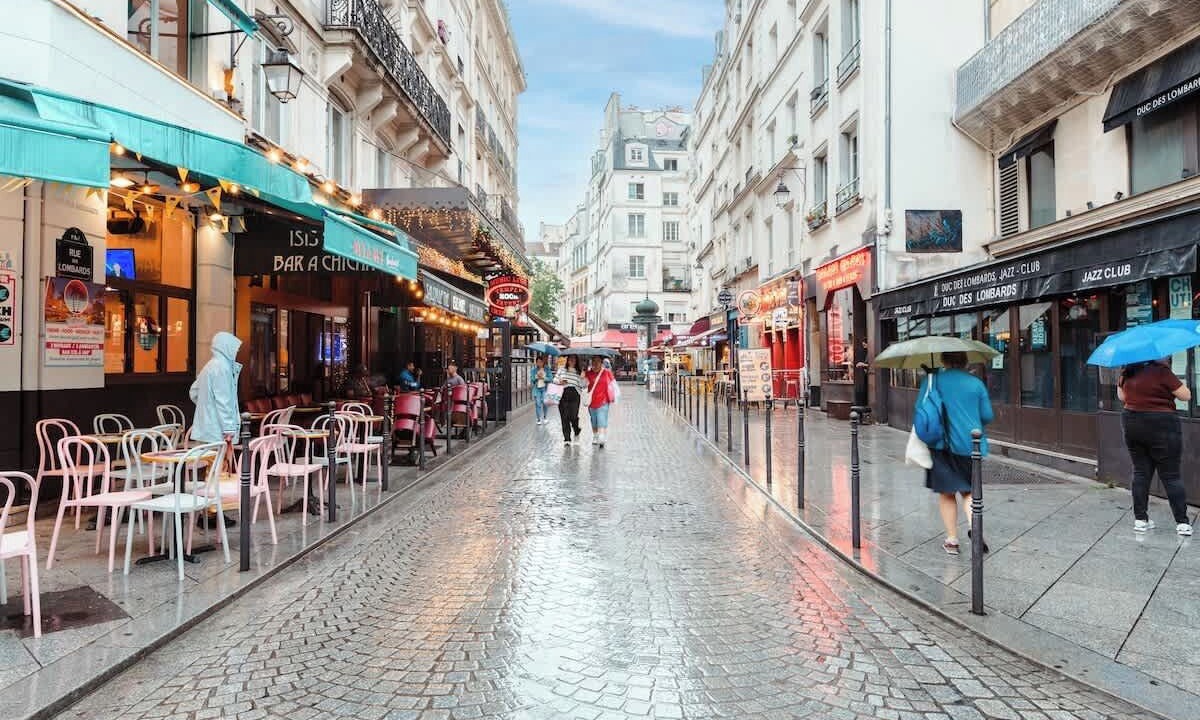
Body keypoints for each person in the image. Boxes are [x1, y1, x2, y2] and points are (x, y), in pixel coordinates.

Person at [919, 351, 993, 556]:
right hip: (971, 445)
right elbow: (987, 415)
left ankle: (952, 541)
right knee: (969, 491)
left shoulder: (932, 382)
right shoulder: (975, 383)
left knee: (947, 492)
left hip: (941, 444)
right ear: (965, 362)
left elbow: (921, 411)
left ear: (943, 361)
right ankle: (974, 528)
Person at [1118, 359, 1192, 535]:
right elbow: (1186, 395)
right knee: (1171, 475)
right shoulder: (1161, 371)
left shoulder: (1127, 370)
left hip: (1132, 421)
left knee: (1141, 472)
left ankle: (1140, 520)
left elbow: (1122, 397)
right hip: (1162, 424)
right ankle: (1182, 523)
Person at [584, 356, 616, 448]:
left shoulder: (607, 373)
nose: (595, 363)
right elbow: (583, 385)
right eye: (594, 361)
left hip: (604, 400)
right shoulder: (588, 373)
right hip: (592, 401)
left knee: (601, 417)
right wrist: (583, 377)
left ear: (601, 363)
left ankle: (602, 436)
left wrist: (613, 395)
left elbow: (613, 384)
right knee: (594, 420)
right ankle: (595, 435)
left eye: (598, 361)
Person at [555, 355, 585, 444]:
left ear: (576, 361)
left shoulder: (579, 372)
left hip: (575, 395)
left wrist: (582, 378)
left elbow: (583, 385)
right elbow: (554, 380)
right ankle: (567, 438)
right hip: (562, 394)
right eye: (570, 359)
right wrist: (560, 382)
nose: (572, 361)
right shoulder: (561, 369)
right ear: (567, 360)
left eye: (574, 359)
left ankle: (576, 431)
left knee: (573, 416)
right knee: (564, 417)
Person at [530, 356, 550, 425]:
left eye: (540, 362)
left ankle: (545, 417)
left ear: (543, 362)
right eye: (538, 362)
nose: (539, 363)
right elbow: (532, 379)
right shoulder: (534, 370)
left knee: (545, 403)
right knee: (538, 404)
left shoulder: (547, 369)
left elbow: (551, 378)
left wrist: (544, 377)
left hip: (545, 389)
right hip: (537, 389)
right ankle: (538, 419)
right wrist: (536, 377)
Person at [853, 338, 870, 411]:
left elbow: (872, 364)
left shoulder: (870, 353)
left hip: (869, 376)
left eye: (864, 344)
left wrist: (863, 364)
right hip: (866, 375)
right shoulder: (867, 352)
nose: (864, 346)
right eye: (863, 345)